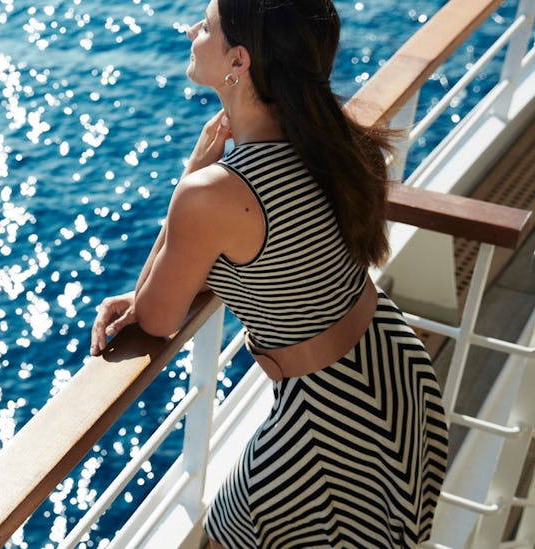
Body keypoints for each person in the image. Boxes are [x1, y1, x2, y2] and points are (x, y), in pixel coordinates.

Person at [88, 0, 449, 546]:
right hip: (392, 366)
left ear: (239, 58)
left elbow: (157, 318)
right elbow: (280, 255)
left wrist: (193, 173)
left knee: (231, 534)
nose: (191, 30)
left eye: (204, 26)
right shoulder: (335, 141)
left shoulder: (215, 191)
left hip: (326, 423)